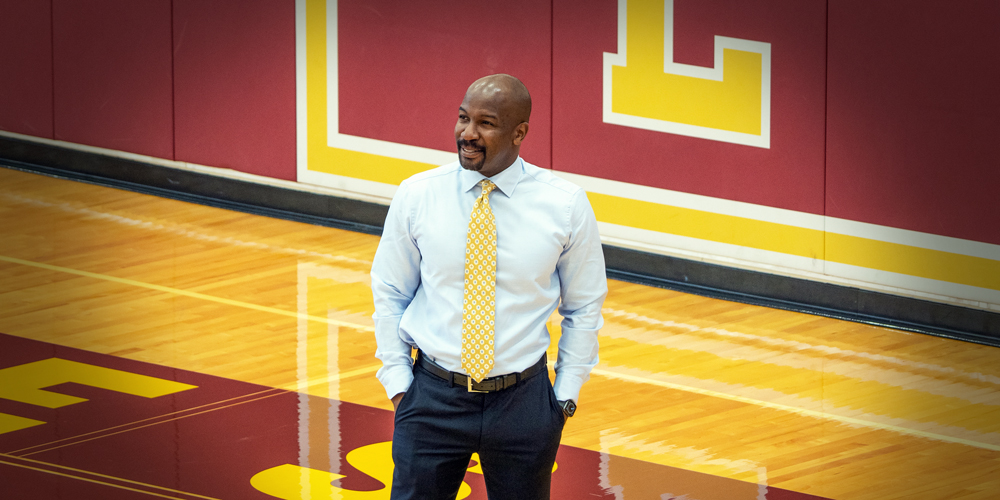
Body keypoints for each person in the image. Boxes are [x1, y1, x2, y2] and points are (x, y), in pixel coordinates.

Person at [370, 73, 607, 499]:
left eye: (486, 123)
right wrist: (398, 382)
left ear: (520, 132)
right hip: (430, 397)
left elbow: (585, 305)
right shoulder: (417, 195)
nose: (468, 134)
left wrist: (565, 395)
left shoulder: (566, 204)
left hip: (524, 404)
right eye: (463, 118)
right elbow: (390, 292)